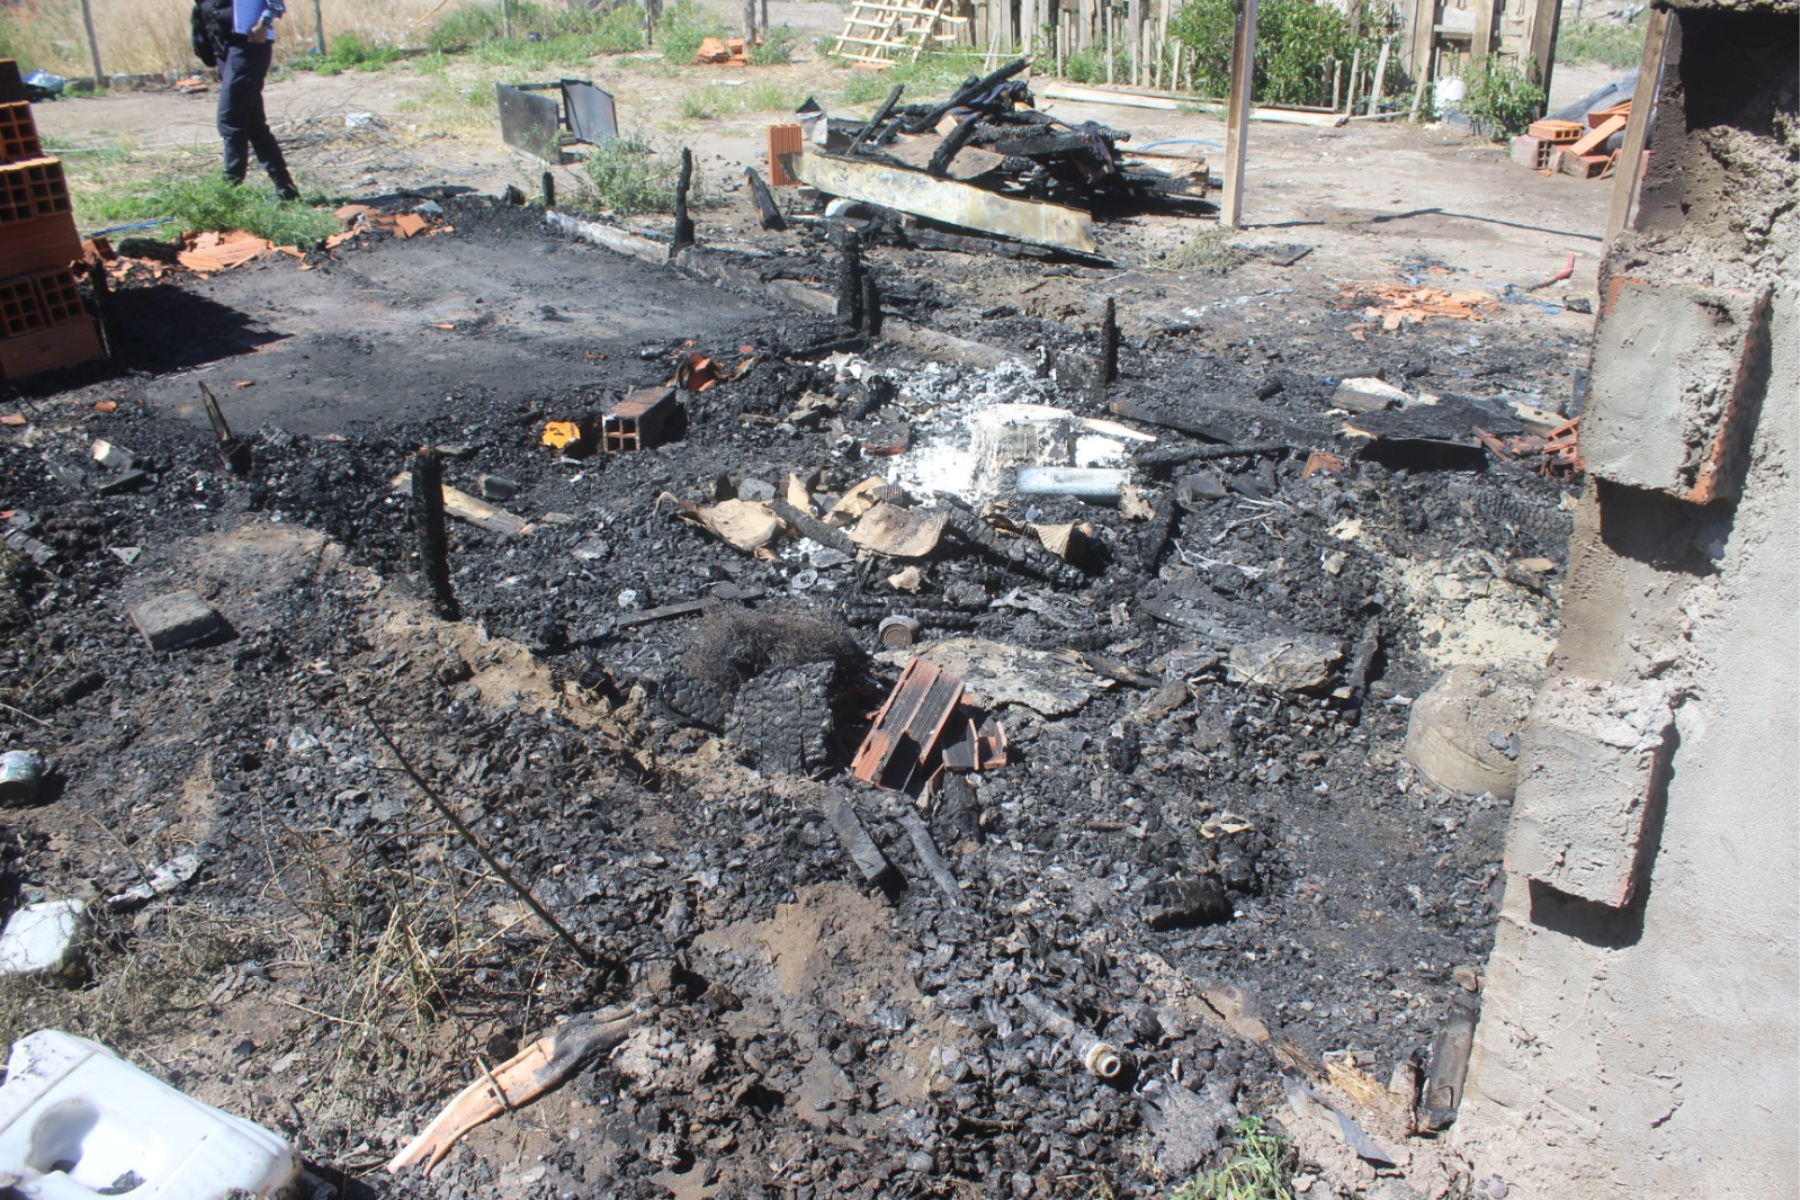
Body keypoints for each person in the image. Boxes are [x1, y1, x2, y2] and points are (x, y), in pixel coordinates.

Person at [191, 0, 300, 200]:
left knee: (230, 118)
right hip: (222, 45)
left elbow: (276, 3)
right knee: (253, 123)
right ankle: (287, 190)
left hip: (249, 43)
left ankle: (229, 192)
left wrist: (264, 23)